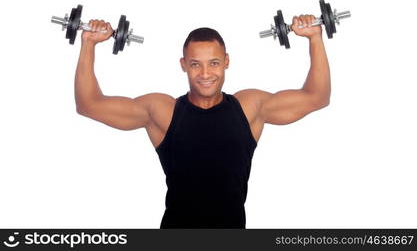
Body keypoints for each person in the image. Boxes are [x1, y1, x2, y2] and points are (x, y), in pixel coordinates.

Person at [75, 15, 331, 228]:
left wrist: (315, 38)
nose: (206, 73)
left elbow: (316, 97)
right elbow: (89, 105)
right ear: (183, 65)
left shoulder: (249, 108)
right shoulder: (162, 111)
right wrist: (88, 42)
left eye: (214, 63)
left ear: (226, 62)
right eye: (196, 64)